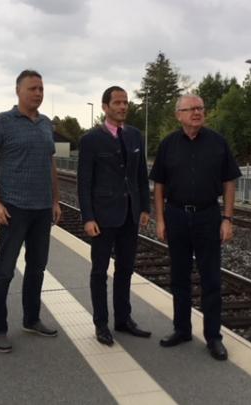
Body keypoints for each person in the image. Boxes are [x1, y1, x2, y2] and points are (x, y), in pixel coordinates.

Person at [149, 94, 241, 361]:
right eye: (191, 109)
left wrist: (227, 219)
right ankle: (182, 329)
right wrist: (161, 220)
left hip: (208, 216)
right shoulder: (168, 144)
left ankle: (213, 337)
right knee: (179, 277)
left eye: (200, 108)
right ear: (178, 115)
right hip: (176, 215)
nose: (197, 112)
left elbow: (229, 182)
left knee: (211, 279)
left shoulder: (218, 143)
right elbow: (159, 185)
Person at [0, 69, 63, 353]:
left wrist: (55, 200)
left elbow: (50, 164)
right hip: (13, 209)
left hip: (42, 210)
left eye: (41, 88)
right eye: (32, 88)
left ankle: (31, 319)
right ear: (18, 91)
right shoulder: (3, 122)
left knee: (37, 268)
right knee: (4, 270)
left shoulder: (46, 124)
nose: (38, 93)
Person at [77, 86, 152, 346]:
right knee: (100, 271)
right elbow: (84, 182)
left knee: (126, 269)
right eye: (117, 102)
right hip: (102, 216)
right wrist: (88, 217)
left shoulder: (135, 136)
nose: (122, 107)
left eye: (125, 102)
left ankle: (123, 319)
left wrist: (144, 208)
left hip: (130, 215)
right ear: (105, 107)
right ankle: (101, 323)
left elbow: (140, 175)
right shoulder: (90, 140)